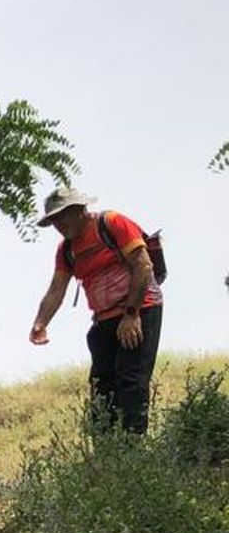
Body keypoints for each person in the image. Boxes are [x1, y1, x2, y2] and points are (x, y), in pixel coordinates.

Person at [29, 185, 163, 434]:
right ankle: (105, 452)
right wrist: (41, 323)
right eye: (54, 219)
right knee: (101, 387)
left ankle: (132, 449)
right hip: (104, 320)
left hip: (139, 310)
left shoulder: (112, 222)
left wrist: (131, 315)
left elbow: (143, 266)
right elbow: (56, 288)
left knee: (130, 380)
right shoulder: (65, 249)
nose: (58, 224)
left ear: (80, 209)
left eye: (62, 216)